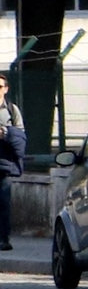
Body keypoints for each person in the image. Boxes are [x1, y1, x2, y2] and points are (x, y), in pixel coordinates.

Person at [0, 68, 22, 251]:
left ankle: (4, 238)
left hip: (3, 164)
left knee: (4, 203)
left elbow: (20, 135)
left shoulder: (11, 110)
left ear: (6, 89)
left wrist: (5, 133)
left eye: (0, 87)